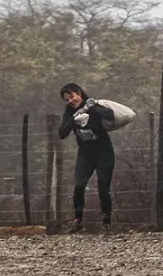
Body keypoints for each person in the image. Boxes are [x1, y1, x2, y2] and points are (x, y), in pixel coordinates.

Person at [58, 83, 116, 233]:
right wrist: (74, 118)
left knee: (103, 188)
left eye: (72, 97)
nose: (70, 101)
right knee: (79, 186)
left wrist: (92, 108)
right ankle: (78, 222)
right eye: (66, 99)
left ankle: (106, 223)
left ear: (79, 93)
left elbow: (110, 115)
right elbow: (62, 133)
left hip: (104, 152)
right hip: (85, 154)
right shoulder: (70, 111)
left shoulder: (92, 104)